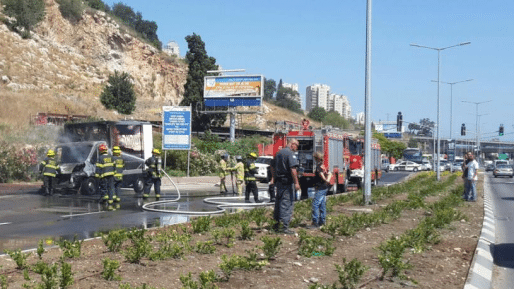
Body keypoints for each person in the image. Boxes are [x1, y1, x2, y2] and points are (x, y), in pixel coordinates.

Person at [273, 138, 300, 235]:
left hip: (279, 182)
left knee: (278, 203)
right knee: (286, 203)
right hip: (287, 182)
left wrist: (273, 179)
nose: (296, 148)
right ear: (292, 144)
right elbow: (293, 169)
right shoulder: (290, 154)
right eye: (296, 146)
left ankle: (276, 225)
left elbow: (272, 166)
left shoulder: (279, 153)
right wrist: (296, 182)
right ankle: (284, 227)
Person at [310, 152, 332, 228]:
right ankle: (322, 221)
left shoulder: (319, 167)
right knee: (322, 204)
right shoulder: (323, 165)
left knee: (315, 204)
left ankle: (315, 222)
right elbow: (330, 173)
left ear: (316, 158)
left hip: (321, 187)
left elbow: (321, 174)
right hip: (324, 187)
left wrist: (325, 180)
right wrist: (327, 181)